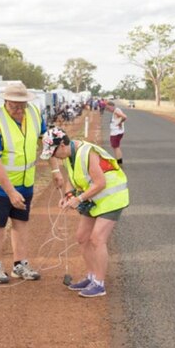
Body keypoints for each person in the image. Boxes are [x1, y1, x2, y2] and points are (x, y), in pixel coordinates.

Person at [41, 127, 129, 298]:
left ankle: (99, 283)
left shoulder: (86, 153)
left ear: (63, 145)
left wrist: (78, 199)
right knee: (82, 237)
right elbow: (73, 180)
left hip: (112, 198)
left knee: (97, 239)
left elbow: (100, 183)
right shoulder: (68, 156)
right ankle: (91, 276)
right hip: (95, 199)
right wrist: (68, 196)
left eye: (54, 152)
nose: (54, 157)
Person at [0, 82, 46, 283]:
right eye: (13, 105)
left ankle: (20, 265)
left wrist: (55, 170)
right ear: (5, 102)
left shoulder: (34, 114)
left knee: (21, 222)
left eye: (22, 105)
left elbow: (46, 141)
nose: (18, 109)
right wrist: (10, 192)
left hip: (25, 181)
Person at [106, 100, 127, 165]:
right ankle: (119, 160)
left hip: (116, 132)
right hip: (117, 132)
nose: (108, 110)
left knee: (116, 147)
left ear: (112, 106)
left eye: (109, 108)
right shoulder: (116, 110)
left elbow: (124, 117)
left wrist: (120, 123)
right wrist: (120, 122)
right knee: (115, 147)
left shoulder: (116, 111)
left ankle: (119, 162)